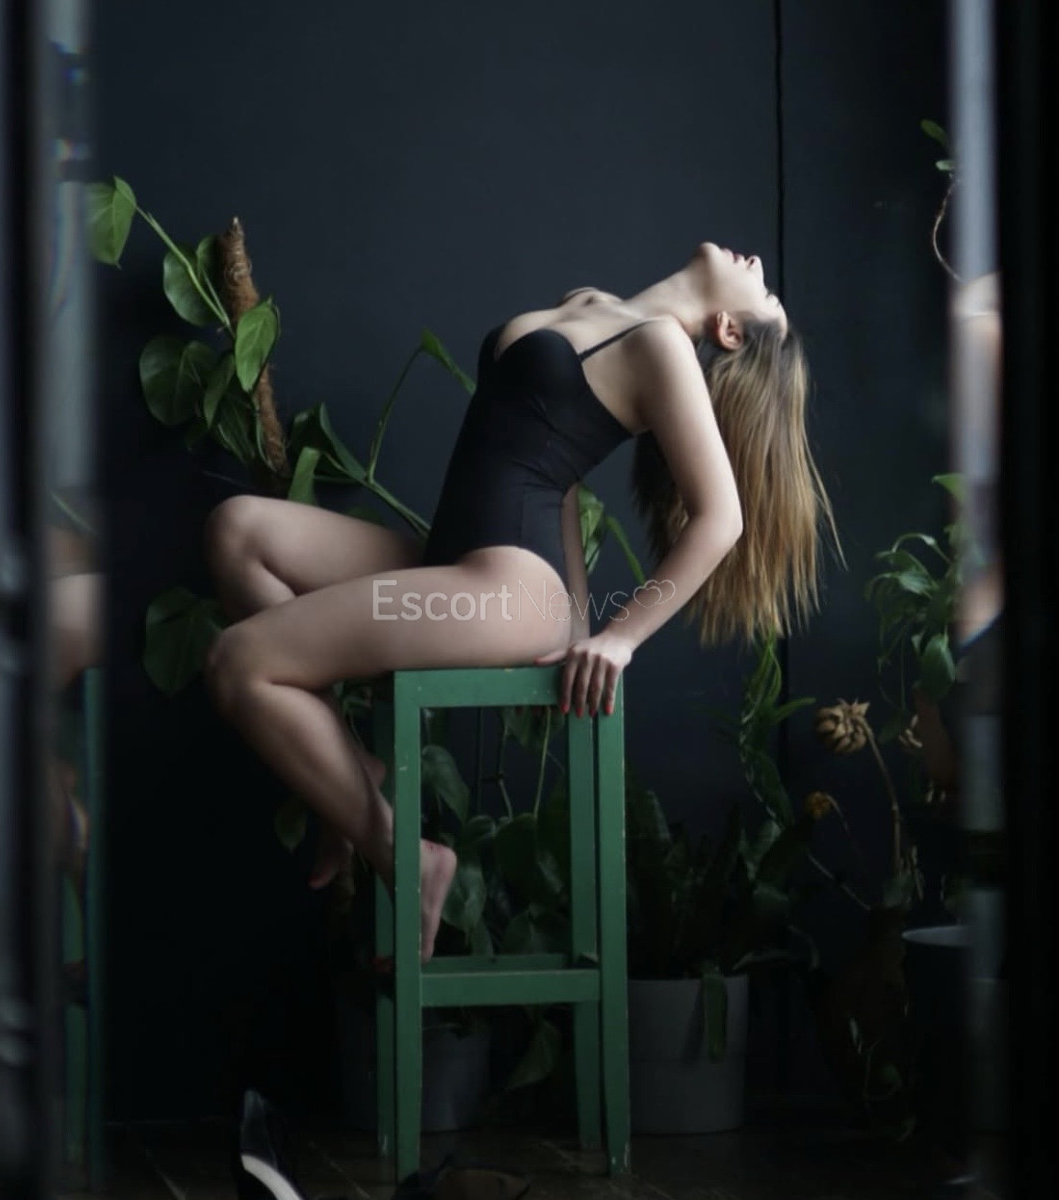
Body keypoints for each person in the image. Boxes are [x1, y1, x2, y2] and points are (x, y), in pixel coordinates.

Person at [203, 241, 838, 962]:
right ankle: (348, 772)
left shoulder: (663, 347)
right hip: (457, 562)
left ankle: (401, 853)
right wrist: (575, 615)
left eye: (767, 295)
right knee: (237, 532)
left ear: (727, 330)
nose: (758, 266)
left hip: (504, 593)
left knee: (237, 663)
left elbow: (721, 520)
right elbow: (559, 478)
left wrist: (618, 637)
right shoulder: (594, 305)